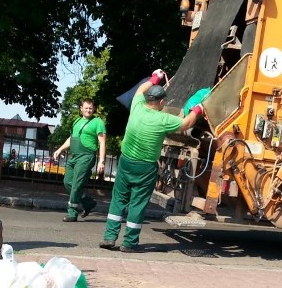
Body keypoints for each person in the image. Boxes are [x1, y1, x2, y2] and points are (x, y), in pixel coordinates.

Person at [99, 69, 205, 252]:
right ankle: (129, 243)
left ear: (148, 98)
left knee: (118, 199)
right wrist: (199, 108)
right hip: (145, 167)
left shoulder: (137, 105)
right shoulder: (163, 119)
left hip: (125, 163)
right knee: (137, 203)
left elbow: (141, 88)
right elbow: (187, 123)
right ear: (162, 102)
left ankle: (109, 237)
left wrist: (156, 77)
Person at [53, 98, 107, 222]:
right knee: (68, 182)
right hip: (74, 156)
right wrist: (60, 149)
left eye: (91, 108)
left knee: (77, 184)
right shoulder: (77, 121)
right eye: (86, 108)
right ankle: (88, 203)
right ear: (81, 108)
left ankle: (72, 213)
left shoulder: (98, 122)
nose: (89, 110)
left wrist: (101, 161)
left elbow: (103, 142)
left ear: (94, 109)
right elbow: (71, 139)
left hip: (86, 156)